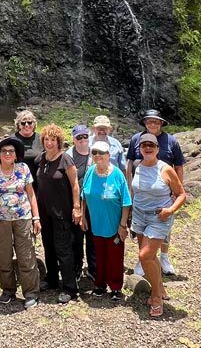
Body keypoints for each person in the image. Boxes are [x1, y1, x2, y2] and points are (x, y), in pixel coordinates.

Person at [0, 136, 41, 308]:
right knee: (4, 257)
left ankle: (30, 292)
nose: (7, 153)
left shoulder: (23, 169)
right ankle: (8, 290)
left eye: (11, 151)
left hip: (23, 219)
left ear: (16, 155)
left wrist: (36, 217)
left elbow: (31, 195)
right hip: (0, 220)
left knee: (26, 256)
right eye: (4, 151)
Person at [131, 134, 187, 318]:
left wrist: (170, 210)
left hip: (159, 217)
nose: (147, 148)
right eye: (144, 145)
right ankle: (160, 287)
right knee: (149, 256)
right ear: (139, 148)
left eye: (151, 145)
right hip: (139, 215)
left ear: (157, 148)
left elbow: (181, 195)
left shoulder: (166, 169)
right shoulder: (138, 167)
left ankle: (156, 297)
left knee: (145, 255)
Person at [126, 109, 185, 276]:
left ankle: (164, 257)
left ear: (161, 124)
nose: (152, 124)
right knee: (140, 228)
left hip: (163, 190)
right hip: (141, 189)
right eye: (149, 121)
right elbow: (130, 162)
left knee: (164, 228)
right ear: (145, 123)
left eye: (156, 122)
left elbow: (179, 166)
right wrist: (130, 187)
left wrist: (177, 189)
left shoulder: (171, 141)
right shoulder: (137, 139)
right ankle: (143, 260)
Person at [34, 124, 82, 302]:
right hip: (45, 212)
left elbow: (75, 185)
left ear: (59, 141)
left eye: (53, 139)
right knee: (48, 246)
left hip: (62, 211)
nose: (49, 143)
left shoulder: (66, 160)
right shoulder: (41, 159)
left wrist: (77, 208)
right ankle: (52, 279)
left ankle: (70, 287)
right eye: (46, 139)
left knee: (63, 249)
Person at [80, 140, 132, 298]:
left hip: (114, 223)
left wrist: (122, 226)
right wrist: (83, 216)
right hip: (96, 222)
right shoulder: (90, 171)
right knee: (98, 255)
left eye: (101, 153)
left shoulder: (117, 174)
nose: (97, 156)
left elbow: (126, 202)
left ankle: (115, 287)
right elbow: (84, 195)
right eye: (94, 153)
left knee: (115, 256)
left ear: (109, 155)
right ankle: (100, 284)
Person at [68, 124, 96, 279]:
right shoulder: (68, 155)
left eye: (85, 136)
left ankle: (93, 268)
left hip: (93, 202)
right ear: (73, 139)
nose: (82, 140)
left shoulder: (94, 153)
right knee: (76, 237)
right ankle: (77, 267)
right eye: (79, 137)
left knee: (92, 235)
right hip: (76, 202)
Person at [12, 110, 43, 178]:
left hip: (37, 180)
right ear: (18, 125)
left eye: (29, 122)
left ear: (34, 124)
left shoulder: (41, 139)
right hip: (17, 180)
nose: (26, 125)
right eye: (23, 123)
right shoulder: (12, 140)